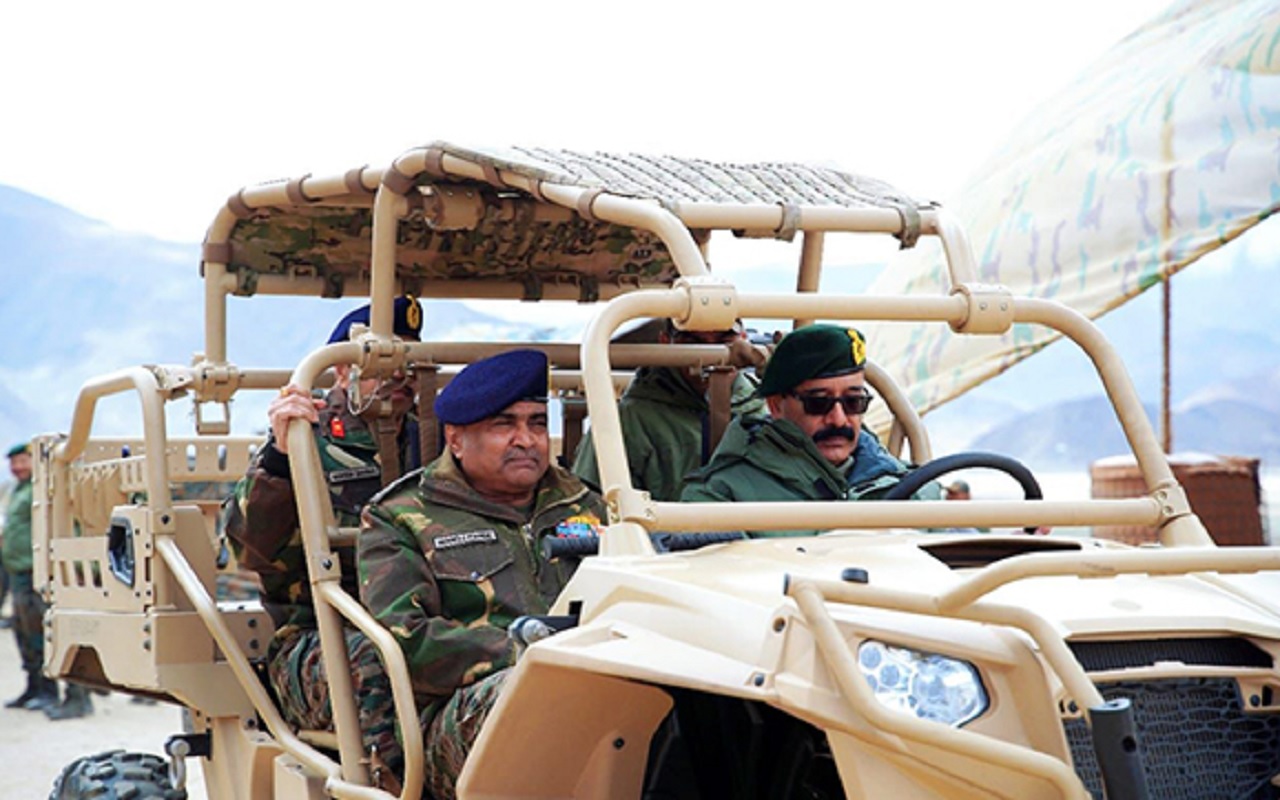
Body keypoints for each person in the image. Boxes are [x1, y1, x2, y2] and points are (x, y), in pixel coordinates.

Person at [359, 349, 606, 800]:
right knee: (535, 698)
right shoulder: (401, 517)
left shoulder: (587, 506)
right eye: (503, 425)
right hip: (457, 716)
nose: (526, 440)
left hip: (598, 684)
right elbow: (404, 640)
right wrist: (527, 652)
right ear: (456, 439)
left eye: (536, 423)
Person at [221, 295, 423, 788]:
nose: (402, 375)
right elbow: (248, 548)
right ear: (341, 371)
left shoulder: (438, 440)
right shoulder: (305, 440)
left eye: (410, 361)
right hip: (319, 636)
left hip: (420, 622)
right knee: (375, 661)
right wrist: (279, 457)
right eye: (384, 364)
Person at [681, 324, 939, 534]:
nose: (838, 420)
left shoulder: (914, 489)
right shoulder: (721, 500)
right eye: (818, 402)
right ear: (776, 406)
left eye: (853, 401)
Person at [572, 319, 765, 501]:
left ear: (744, 339)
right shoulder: (627, 420)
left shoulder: (765, 410)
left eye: (724, 341)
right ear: (666, 342)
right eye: (692, 343)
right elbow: (592, 505)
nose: (710, 356)